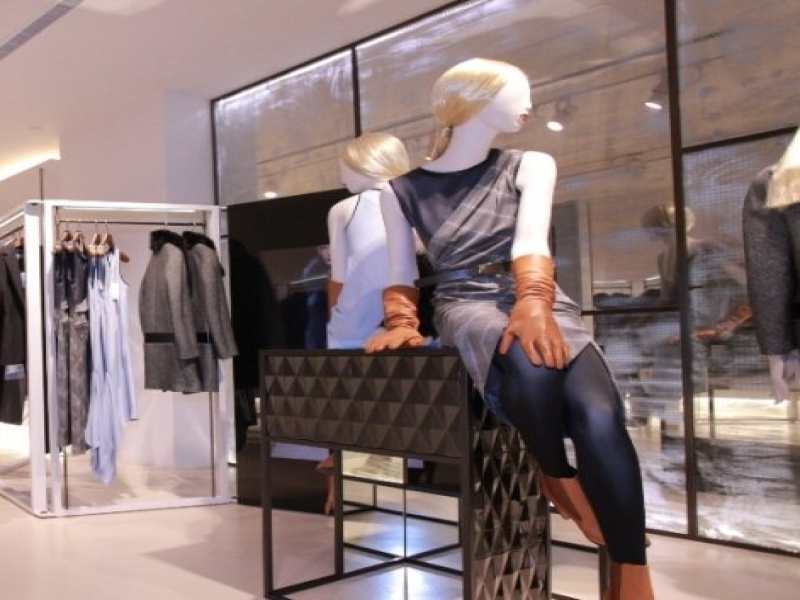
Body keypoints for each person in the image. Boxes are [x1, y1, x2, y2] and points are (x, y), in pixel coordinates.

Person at [365, 58, 654, 599]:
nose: (528, 105)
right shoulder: (398, 190)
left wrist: (535, 302)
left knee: (600, 416)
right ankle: (556, 472)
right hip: (463, 300)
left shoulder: (531, 163)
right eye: (518, 93)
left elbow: (531, 240)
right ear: (475, 99)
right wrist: (403, 320)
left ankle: (632, 574)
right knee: (530, 364)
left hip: (533, 291)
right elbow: (402, 269)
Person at [317, 132, 411, 515]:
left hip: (354, 319)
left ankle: (346, 492)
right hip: (404, 312)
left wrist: (336, 321)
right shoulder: (411, 201)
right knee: (396, 402)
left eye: (345, 166)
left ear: (366, 163)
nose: (341, 176)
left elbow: (339, 276)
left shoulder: (344, 209)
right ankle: (379, 490)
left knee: (350, 405)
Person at [743, 128, 800, 401]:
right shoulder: (778, 182)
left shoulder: (781, 181)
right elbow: (768, 278)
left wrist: (778, 356)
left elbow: (769, 278)